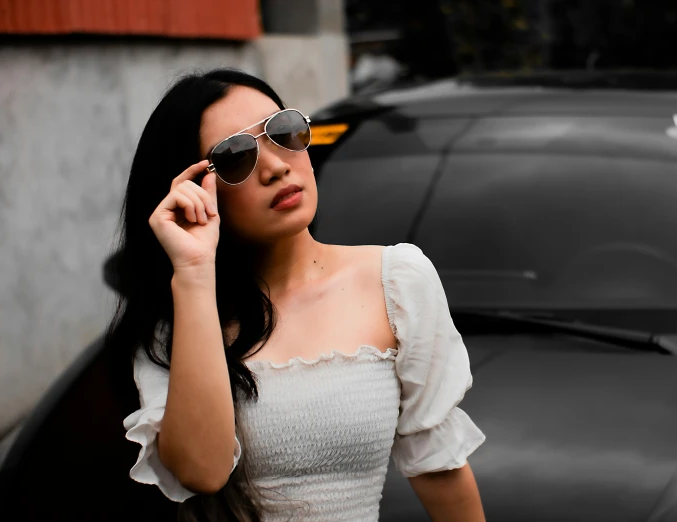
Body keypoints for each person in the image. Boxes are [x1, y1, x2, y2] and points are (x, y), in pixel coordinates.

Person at [106, 68, 486, 522]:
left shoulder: (396, 279)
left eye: (283, 131)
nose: (275, 166)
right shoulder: (178, 321)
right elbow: (200, 473)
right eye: (233, 157)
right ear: (192, 191)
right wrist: (193, 273)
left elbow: (439, 468)